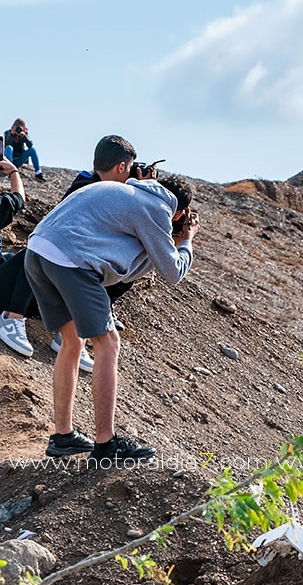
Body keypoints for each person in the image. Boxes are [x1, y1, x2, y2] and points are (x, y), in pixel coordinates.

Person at [26, 173, 198, 461]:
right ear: (179, 212)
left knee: (72, 342)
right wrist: (186, 242)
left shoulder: (122, 192)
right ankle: (106, 444)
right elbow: (173, 272)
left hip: (38, 252)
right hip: (71, 261)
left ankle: (63, 437)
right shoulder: (155, 208)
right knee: (108, 343)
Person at [0, 136, 152, 370]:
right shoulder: (85, 186)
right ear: (122, 167)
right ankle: (12, 318)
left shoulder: (114, 192)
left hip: (39, 296)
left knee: (110, 266)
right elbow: (19, 202)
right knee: (43, 247)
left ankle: (71, 335)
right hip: (16, 284)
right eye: (131, 168)